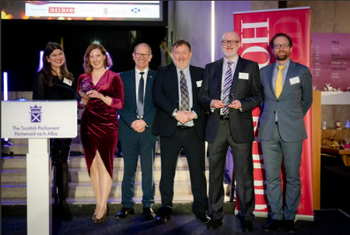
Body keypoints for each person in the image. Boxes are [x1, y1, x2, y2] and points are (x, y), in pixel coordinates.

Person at [198, 31, 263, 231]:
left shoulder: (250, 66)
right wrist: (211, 102)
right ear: (221, 43)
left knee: (244, 175)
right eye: (226, 41)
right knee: (215, 175)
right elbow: (202, 95)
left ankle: (247, 217)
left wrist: (242, 104)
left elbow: (258, 95)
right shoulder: (211, 68)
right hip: (216, 127)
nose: (229, 45)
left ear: (239, 44)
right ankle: (215, 215)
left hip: (240, 128)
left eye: (233, 41)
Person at [259, 33, 313, 233]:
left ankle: (290, 216)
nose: (280, 49)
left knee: (292, 177)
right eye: (277, 46)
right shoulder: (263, 72)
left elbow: (307, 100)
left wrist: (291, 116)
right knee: (272, 177)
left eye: (284, 45)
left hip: (292, 130)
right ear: (271, 49)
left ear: (291, 48)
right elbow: (263, 98)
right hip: (268, 131)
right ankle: (276, 216)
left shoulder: (302, 71)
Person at [152, 40, 210, 224]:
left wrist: (193, 113)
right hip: (171, 130)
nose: (181, 56)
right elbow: (158, 96)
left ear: (190, 54)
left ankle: (201, 209)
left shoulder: (201, 73)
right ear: (173, 54)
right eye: (177, 52)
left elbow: (206, 99)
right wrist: (176, 113)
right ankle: (166, 207)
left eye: (184, 52)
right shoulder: (163, 72)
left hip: (194, 131)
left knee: (198, 173)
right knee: (167, 173)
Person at [77, 43, 124, 224]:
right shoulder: (83, 77)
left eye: (98, 55)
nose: (95, 59)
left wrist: (101, 96)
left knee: (104, 164)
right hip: (88, 124)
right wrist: (84, 99)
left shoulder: (114, 77)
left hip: (108, 125)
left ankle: (102, 206)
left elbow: (120, 103)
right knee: (93, 166)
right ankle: (99, 203)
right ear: (88, 60)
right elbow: (81, 104)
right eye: (91, 57)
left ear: (104, 56)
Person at [32, 42, 77, 221]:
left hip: (65, 128)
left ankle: (62, 204)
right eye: (54, 55)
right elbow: (38, 103)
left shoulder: (69, 77)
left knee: (62, 164)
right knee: (48, 165)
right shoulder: (42, 76)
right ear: (47, 58)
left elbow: (72, 100)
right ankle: (44, 204)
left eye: (61, 54)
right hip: (48, 130)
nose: (58, 57)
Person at [115, 43, 158, 220]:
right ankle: (127, 205)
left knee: (148, 170)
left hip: (148, 130)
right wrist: (133, 121)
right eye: (138, 54)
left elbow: (160, 103)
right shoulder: (121, 77)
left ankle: (148, 205)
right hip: (128, 129)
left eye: (145, 55)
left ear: (150, 57)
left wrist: (145, 121)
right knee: (129, 170)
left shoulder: (157, 77)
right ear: (133, 56)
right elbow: (118, 103)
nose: (141, 57)